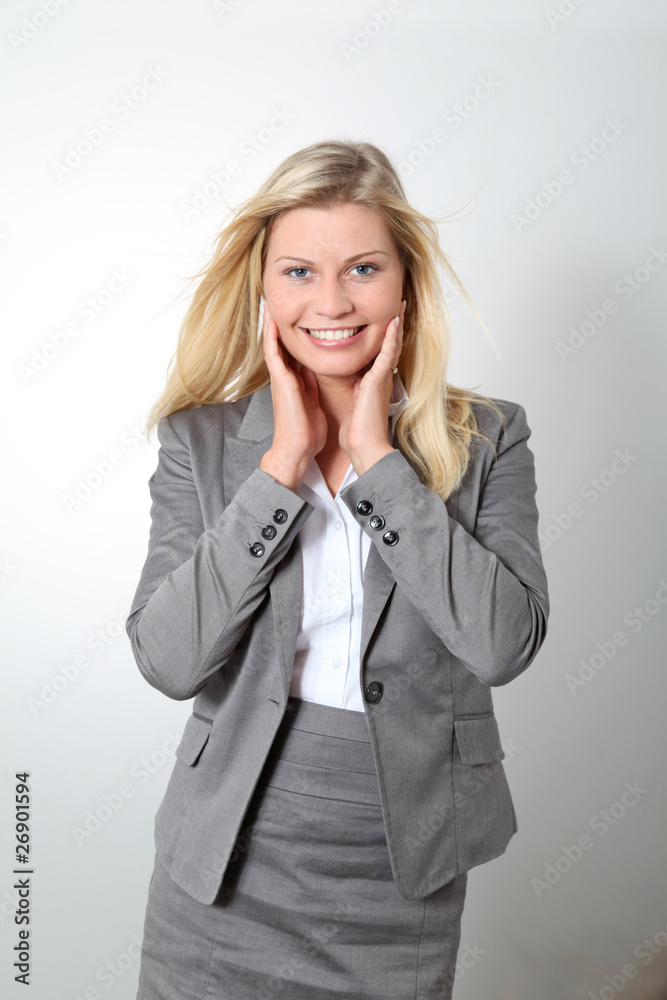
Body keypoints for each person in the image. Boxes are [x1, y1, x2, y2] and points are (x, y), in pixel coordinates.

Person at [125, 138, 549, 999]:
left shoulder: (490, 438)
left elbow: (503, 645)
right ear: (262, 287)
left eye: (362, 269)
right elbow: (169, 662)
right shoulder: (200, 444)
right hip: (227, 853)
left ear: (405, 285)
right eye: (297, 273)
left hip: (403, 856)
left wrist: (374, 459)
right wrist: (282, 464)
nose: (330, 302)